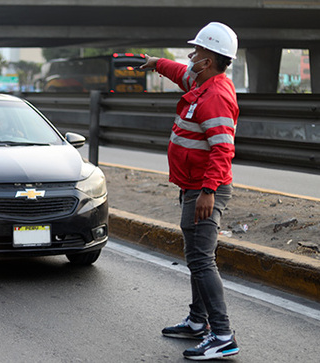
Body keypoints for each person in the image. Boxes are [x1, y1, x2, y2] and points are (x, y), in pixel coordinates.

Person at [139, 22, 240, 360]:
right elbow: (180, 71)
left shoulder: (216, 96)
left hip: (205, 189)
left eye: (197, 52)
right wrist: (156, 63)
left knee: (201, 259)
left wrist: (208, 191)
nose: (191, 56)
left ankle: (222, 334)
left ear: (209, 60)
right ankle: (198, 322)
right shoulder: (202, 81)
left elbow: (222, 151)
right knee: (196, 257)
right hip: (192, 185)